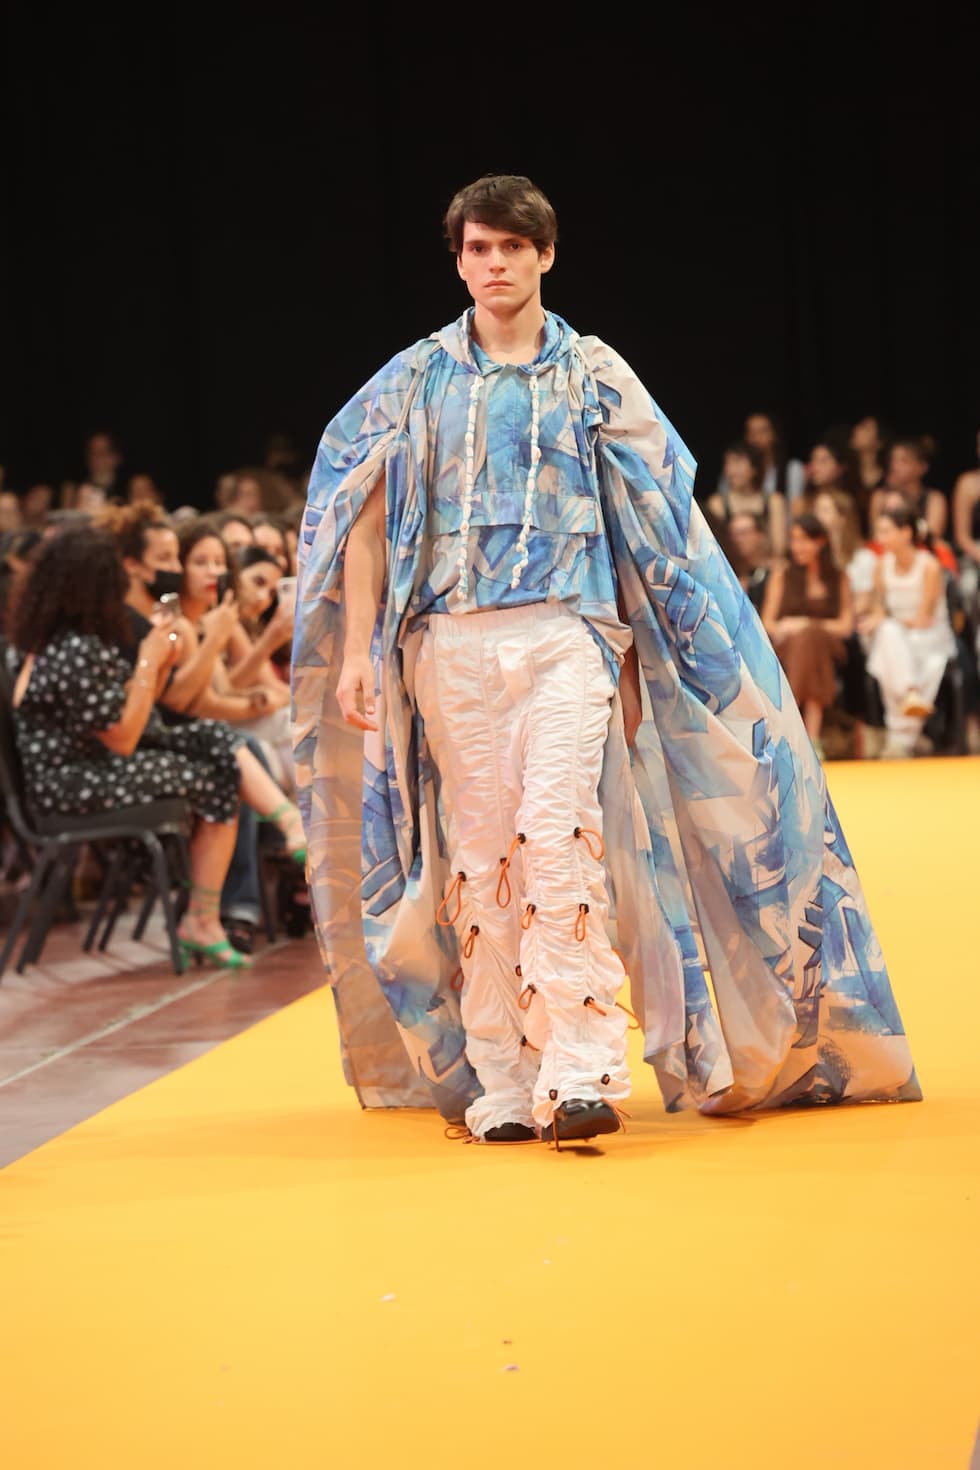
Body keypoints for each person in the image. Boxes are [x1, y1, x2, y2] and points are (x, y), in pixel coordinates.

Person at [291, 172, 920, 1146]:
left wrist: (647, 661)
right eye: (476, 249)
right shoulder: (414, 378)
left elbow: (654, 521)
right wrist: (359, 651)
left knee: (557, 833)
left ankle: (582, 1068)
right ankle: (504, 1074)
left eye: (511, 246)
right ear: (457, 261)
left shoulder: (593, 373)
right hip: (448, 639)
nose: (494, 264)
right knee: (481, 854)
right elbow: (358, 513)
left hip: (566, 632)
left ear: (545, 253)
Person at [5, 525, 301, 971]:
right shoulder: (71, 649)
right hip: (70, 785)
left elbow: (135, 714)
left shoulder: (75, 639)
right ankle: (206, 916)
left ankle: (227, 891)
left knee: (215, 742)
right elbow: (124, 738)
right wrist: (148, 659)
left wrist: (159, 663)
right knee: (217, 772)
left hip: (94, 766)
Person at [859, 505, 957, 758]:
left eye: (886, 532)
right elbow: (878, 606)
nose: (880, 538)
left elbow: (924, 618)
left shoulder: (929, 565)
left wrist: (886, 621)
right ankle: (910, 697)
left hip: (928, 636)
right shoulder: (881, 565)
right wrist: (874, 618)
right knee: (888, 637)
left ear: (905, 533)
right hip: (896, 636)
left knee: (889, 640)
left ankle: (900, 738)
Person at [760, 512, 854, 760]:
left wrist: (808, 624)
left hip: (828, 645)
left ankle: (791, 728)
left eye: (803, 540)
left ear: (820, 542)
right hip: (787, 645)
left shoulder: (839, 577)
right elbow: (767, 622)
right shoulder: (783, 574)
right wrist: (787, 628)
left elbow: (846, 625)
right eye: (793, 540)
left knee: (811, 638)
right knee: (805, 643)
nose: (797, 546)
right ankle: (812, 738)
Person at [704, 439, 788, 558]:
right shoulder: (718, 503)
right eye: (727, 463)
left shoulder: (774, 501)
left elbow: (779, 548)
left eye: (736, 462)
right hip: (730, 564)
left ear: (754, 468)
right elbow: (714, 548)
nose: (730, 470)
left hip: (766, 563)